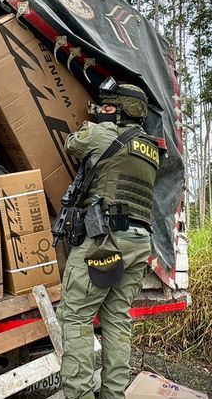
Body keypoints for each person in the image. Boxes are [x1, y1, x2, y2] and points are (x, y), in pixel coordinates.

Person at [56, 78, 161, 399]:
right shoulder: (151, 150)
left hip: (105, 239)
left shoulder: (101, 134)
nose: (100, 111)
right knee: (117, 319)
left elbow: (72, 144)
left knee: (75, 317)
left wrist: (94, 121)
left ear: (118, 109)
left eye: (105, 106)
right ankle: (114, 395)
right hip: (140, 242)